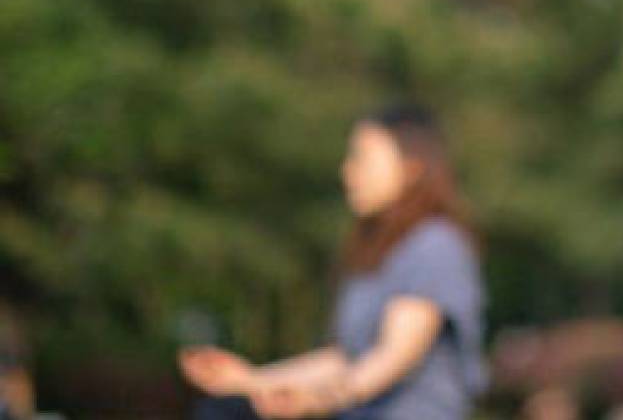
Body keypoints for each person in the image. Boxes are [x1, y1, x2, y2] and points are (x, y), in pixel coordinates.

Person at [179, 103, 487, 420]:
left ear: (412, 167)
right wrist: (251, 381)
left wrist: (318, 400)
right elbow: (345, 360)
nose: (348, 172)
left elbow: (394, 357)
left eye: (362, 159)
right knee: (226, 408)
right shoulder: (376, 252)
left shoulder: (436, 245)